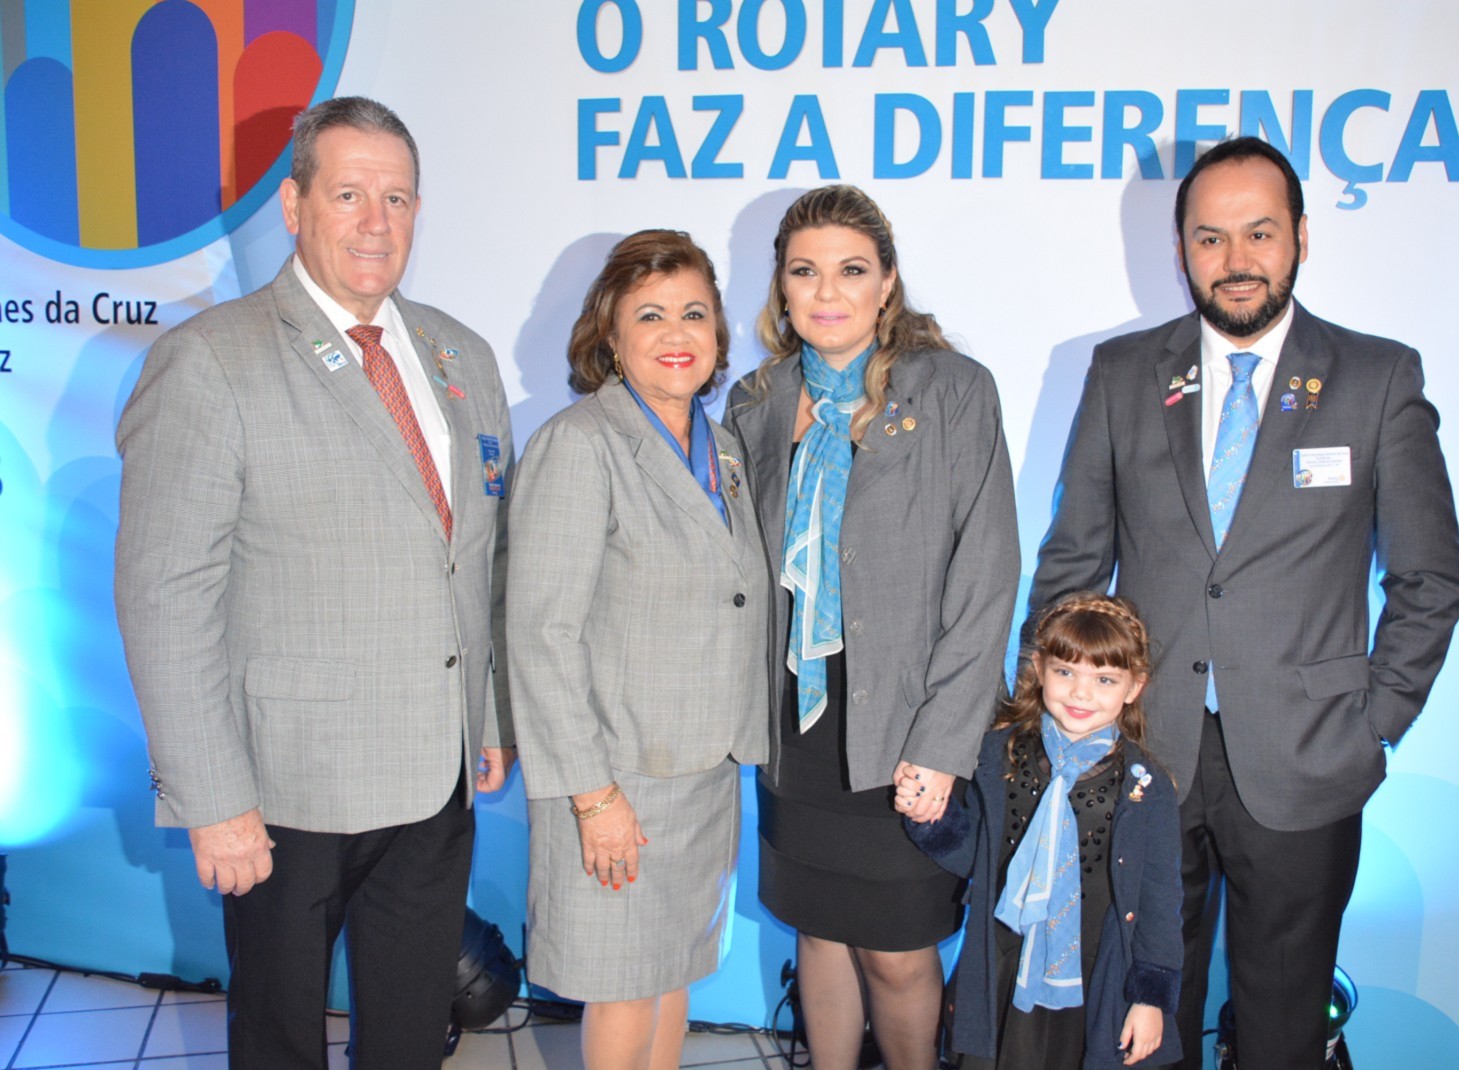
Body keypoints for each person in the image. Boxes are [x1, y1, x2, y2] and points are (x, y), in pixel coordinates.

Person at [1029, 136, 1459, 1068]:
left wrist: (1375, 726)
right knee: (1141, 1024)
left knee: (1280, 1034)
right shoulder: (1121, 374)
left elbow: (1430, 579)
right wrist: (1065, 723)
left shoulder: (1378, 378)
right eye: (1210, 238)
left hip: (1311, 759)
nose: (1235, 260)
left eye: (1259, 233)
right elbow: (1073, 565)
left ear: (1301, 237)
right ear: (1181, 249)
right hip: (1142, 755)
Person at [114, 96, 515, 1070]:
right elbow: (165, 595)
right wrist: (213, 799)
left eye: (397, 198)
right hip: (283, 794)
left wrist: (488, 716)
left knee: (409, 1039)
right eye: (348, 194)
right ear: (293, 206)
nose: (377, 222)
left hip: (434, 782)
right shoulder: (211, 361)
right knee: (280, 1042)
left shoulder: (463, 355)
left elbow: (480, 556)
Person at [725, 185, 1020, 1070]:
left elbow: (987, 575)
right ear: (780, 285)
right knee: (818, 933)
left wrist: (942, 744)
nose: (827, 292)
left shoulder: (955, 390)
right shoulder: (756, 400)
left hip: (906, 730)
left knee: (896, 950)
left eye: (851, 270)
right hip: (798, 730)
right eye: (804, 271)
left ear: (887, 281)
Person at [506, 229, 769, 1070]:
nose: (677, 333)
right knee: (621, 983)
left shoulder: (722, 448)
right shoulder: (580, 444)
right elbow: (541, 634)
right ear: (611, 335)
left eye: (694, 313)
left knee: (672, 970)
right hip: (616, 775)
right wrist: (593, 798)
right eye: (650, 315)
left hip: (702, 774)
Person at [905, 593, 1182, 1069]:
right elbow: (975, 857)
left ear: (1134, 687)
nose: (1081, 694)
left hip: (1094, 975)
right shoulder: (999, 753)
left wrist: (1150, 997)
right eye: (1066, 672)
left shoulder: (1145, 786)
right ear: (1039, 668)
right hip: (1003, 961)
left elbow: (1160, 899)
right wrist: (928, 816)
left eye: (1104, 679)